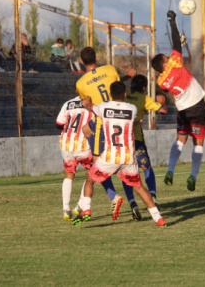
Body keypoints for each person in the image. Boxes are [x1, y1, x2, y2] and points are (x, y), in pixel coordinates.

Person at [72, 81, 166, 227]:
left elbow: (89, 107)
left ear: (110, 94)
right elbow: (129, 121)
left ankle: (87, 209)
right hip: (128, 157)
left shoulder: (103, 107)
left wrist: (88, 102)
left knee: (90, 179)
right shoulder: (132, 108)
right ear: (124, 94)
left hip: (110, 155)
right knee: (139, 187)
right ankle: (159, 219)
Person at [75, 46, 136, 220]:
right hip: (119, 120)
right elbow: (116, 86)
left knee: (95, 168)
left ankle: (99, 201)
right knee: (121, 162)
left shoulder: (80, 83)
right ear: (96, 57)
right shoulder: (109, 69)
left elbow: (87, 102)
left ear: (81, 61)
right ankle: (132, 201)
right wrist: (127, 77)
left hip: (102, 123)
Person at [151, 10, 205, 191]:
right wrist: (172, 22)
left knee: (180, 140)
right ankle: (192, 175)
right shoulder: (175, 63)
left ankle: (170, 170)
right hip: (197, 105)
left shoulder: (161, 81)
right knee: (198, 141)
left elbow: (170, 79)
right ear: (165, 62)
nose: (169, 57)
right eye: (166, 58)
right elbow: (176, 42)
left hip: (182, 110)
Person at [122, 74, 167, 220]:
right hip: (137, 140)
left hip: (122, 141)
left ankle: (133, 203)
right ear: (144, 88)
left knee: (126, 174)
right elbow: (162, 110)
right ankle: (152, 196)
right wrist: (162, 102)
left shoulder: (124, 94)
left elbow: (114, 84)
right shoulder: (144, 99)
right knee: (146, 168)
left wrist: (125, 76)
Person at [55, 95, 94, 221]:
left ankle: (66, 208)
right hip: (84, 145)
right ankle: (80, 205)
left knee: (69, 175)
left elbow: (58, 124)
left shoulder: (68, 103)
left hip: (66, 144)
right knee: (92, 174)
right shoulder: (91, 104)